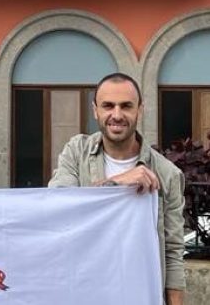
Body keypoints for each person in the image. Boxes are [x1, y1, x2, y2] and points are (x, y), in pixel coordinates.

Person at [48, 72, 185, 305]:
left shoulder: (167, 174)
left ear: (140, 110)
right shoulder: (76, 152)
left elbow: (173, 252)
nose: (117, 115)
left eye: (126, 106)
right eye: (108, 106)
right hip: (83, 291)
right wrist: (118, 182)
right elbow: (59, 209)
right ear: (95, 110)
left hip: (140, 294)